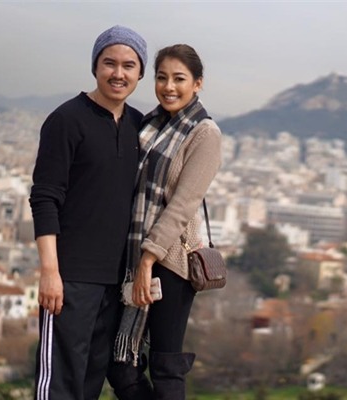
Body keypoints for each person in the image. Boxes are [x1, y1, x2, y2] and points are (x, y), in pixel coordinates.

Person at [29, 25, 147, 400]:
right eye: (109, 63)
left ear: (140, 73)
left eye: (129, 65)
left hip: (117, 282)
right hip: (70, 279)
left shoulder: (139, 125)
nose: (118, 73)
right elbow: (45, 197)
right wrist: (50, 271)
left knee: (89, 387)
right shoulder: (67, 119)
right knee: (59, 387)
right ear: (95, 66)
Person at [107, 44, 222, 400]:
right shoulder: (149, 124)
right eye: (162, 77)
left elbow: (183, 205)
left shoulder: (204, 133)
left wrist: (148, 260)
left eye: (179, 79)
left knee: (165, 366)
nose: (169, 87)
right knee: (121, 366)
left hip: (169, 261)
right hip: (129, 256)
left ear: (198, 83)